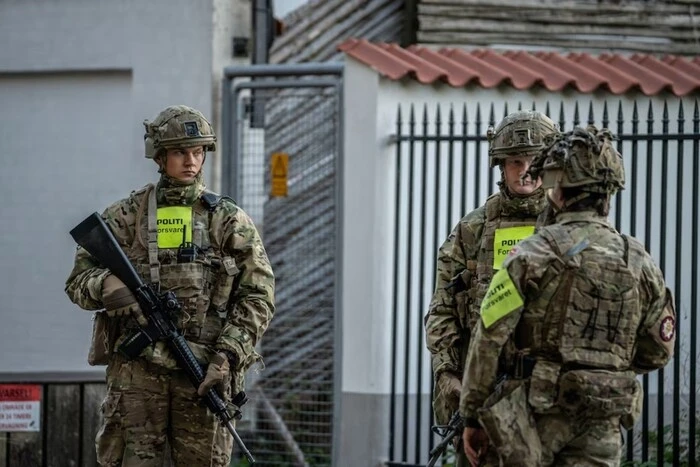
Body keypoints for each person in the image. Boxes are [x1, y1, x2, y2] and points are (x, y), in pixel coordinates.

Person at [65, 105, 275, 466]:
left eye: (198, 152)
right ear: (160, 157)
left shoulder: (226, 220)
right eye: (180, 152)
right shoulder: (127, 216)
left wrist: (227, 353)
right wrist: (107, 285)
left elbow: (258, 295)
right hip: (137, 378)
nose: (191, 161)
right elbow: (77, 283)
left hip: (203, 372)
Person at [460, 125, 675, 467]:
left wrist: (472, 416)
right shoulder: (639, 261)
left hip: (533, 421)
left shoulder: (529, 255)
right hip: (603, 421)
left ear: (556, 191)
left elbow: (488, 338)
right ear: (609, 191)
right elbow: (657, 352)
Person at [424, 110, 557, 464]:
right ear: (501, 165)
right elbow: (442, 309)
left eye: (533, 160)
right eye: (515, 160)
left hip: (550, 398)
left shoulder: (566, 227)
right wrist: (448, 375)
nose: (524, 169)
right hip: (483, 396)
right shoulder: (474, 229)